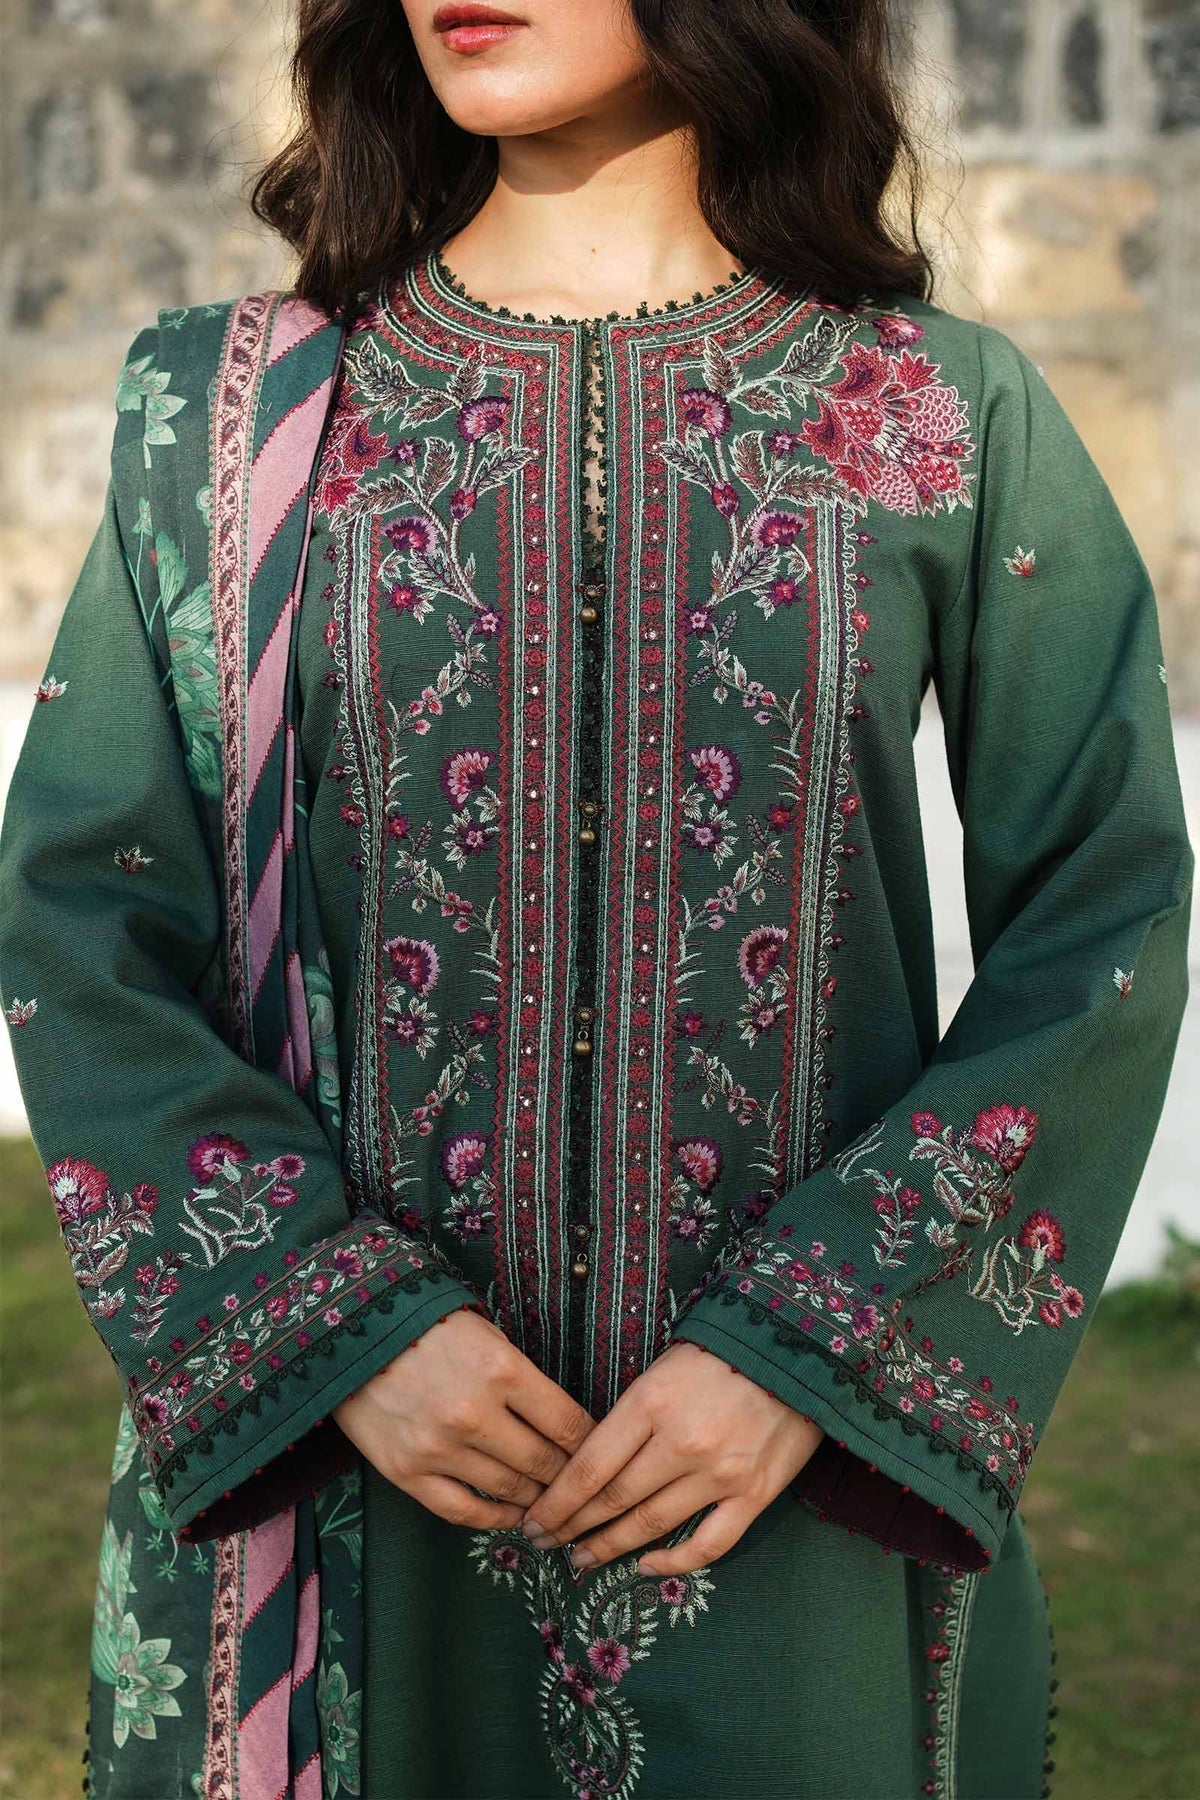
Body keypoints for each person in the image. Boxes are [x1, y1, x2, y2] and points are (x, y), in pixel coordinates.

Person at [0, 0, 1193, 1795]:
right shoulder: (233, 420)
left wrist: (812, 1352)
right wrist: (337, 1333)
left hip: (791, 1502)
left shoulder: (935, 406)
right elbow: (87, 911)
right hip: (351, 1498)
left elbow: (1105, 914)